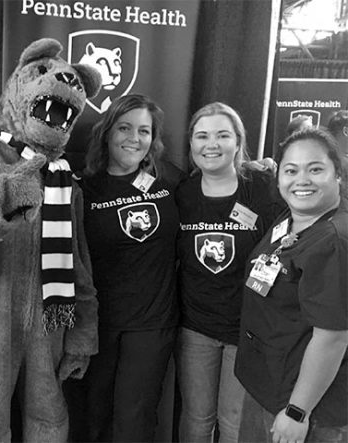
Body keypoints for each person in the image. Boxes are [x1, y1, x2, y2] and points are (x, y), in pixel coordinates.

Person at [175, 102, 285, 443]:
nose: (212, 144)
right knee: (196, 420)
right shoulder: (183, 194)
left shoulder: (262, 187)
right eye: (202, 135)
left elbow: (284, 246)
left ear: (238, 142)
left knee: (235, 423)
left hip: (246, 331)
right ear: (191, 144)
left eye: (223, 135)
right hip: (196, 329)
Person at [77, 93, 185, 441]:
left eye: (144, 131)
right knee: (93, 415)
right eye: (124, 128)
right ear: (107, 133)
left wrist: (257, 173)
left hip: (152, 326)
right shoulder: (83, 190)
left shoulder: (170, 184)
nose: (134, 139)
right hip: (99, 326)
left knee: (134, 420)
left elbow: (218, 188)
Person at [235, 127, 348, 443]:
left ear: (337, 174)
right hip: (269, 387)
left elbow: (332, 338)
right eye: (291, 170)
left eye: (315, 169)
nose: (302, 180)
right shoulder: (293, 217)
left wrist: (298, 411)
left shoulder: (333, 242)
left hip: (305, 411)